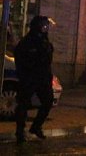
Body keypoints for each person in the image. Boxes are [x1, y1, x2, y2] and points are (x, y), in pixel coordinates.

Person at [13, 16, 54, 144]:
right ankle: (20, 131)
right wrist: (23, 74)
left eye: (46, 26)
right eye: (44, 26)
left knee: (48, 101)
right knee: (23, 104)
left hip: (43, 78)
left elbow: (47, 61)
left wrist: (48, 76)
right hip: (29, 78)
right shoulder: (27, 42)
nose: (46, 28)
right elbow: (19, 59)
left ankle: (36, 127)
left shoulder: (45, 41)